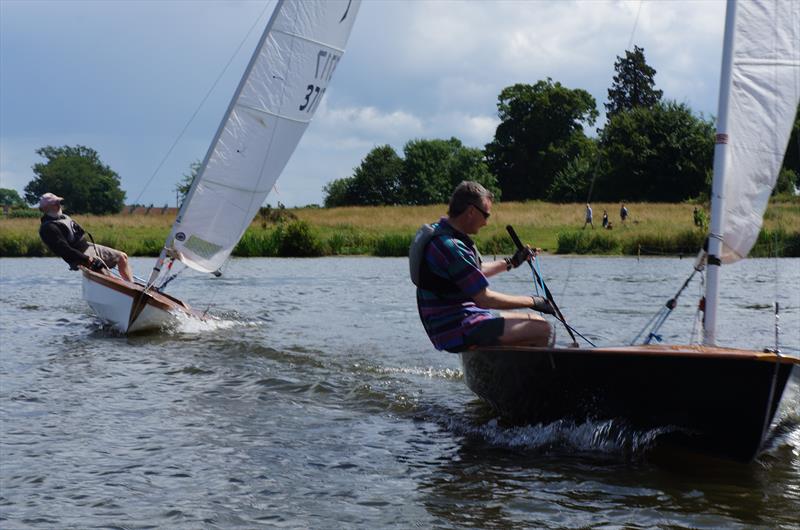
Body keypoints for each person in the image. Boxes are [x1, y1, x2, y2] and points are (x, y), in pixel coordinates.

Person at [409, 181, 555, 353]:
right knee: (543, 329)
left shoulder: (442, 232)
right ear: (471, 211)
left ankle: (501, 370)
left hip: (460, 322)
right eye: (486, 215)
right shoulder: (451, 246)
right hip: (458, 328)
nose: (486, 223)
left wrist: (512, 262)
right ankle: (525, 377)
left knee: (535, 320)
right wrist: (534, 301)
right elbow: (484, 298)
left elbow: (472, 272)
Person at [37, 192, 134, 282]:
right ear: (45, 208)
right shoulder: (48, 228)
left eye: (58, 202)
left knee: (122, 257)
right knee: (107, 276)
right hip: (79, 256)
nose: (58, 205)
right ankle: (127, 292)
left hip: (88, 246)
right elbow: (64, 250)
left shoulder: (62, 217)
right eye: (54, 203)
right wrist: (86, 259)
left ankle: (132, 286)